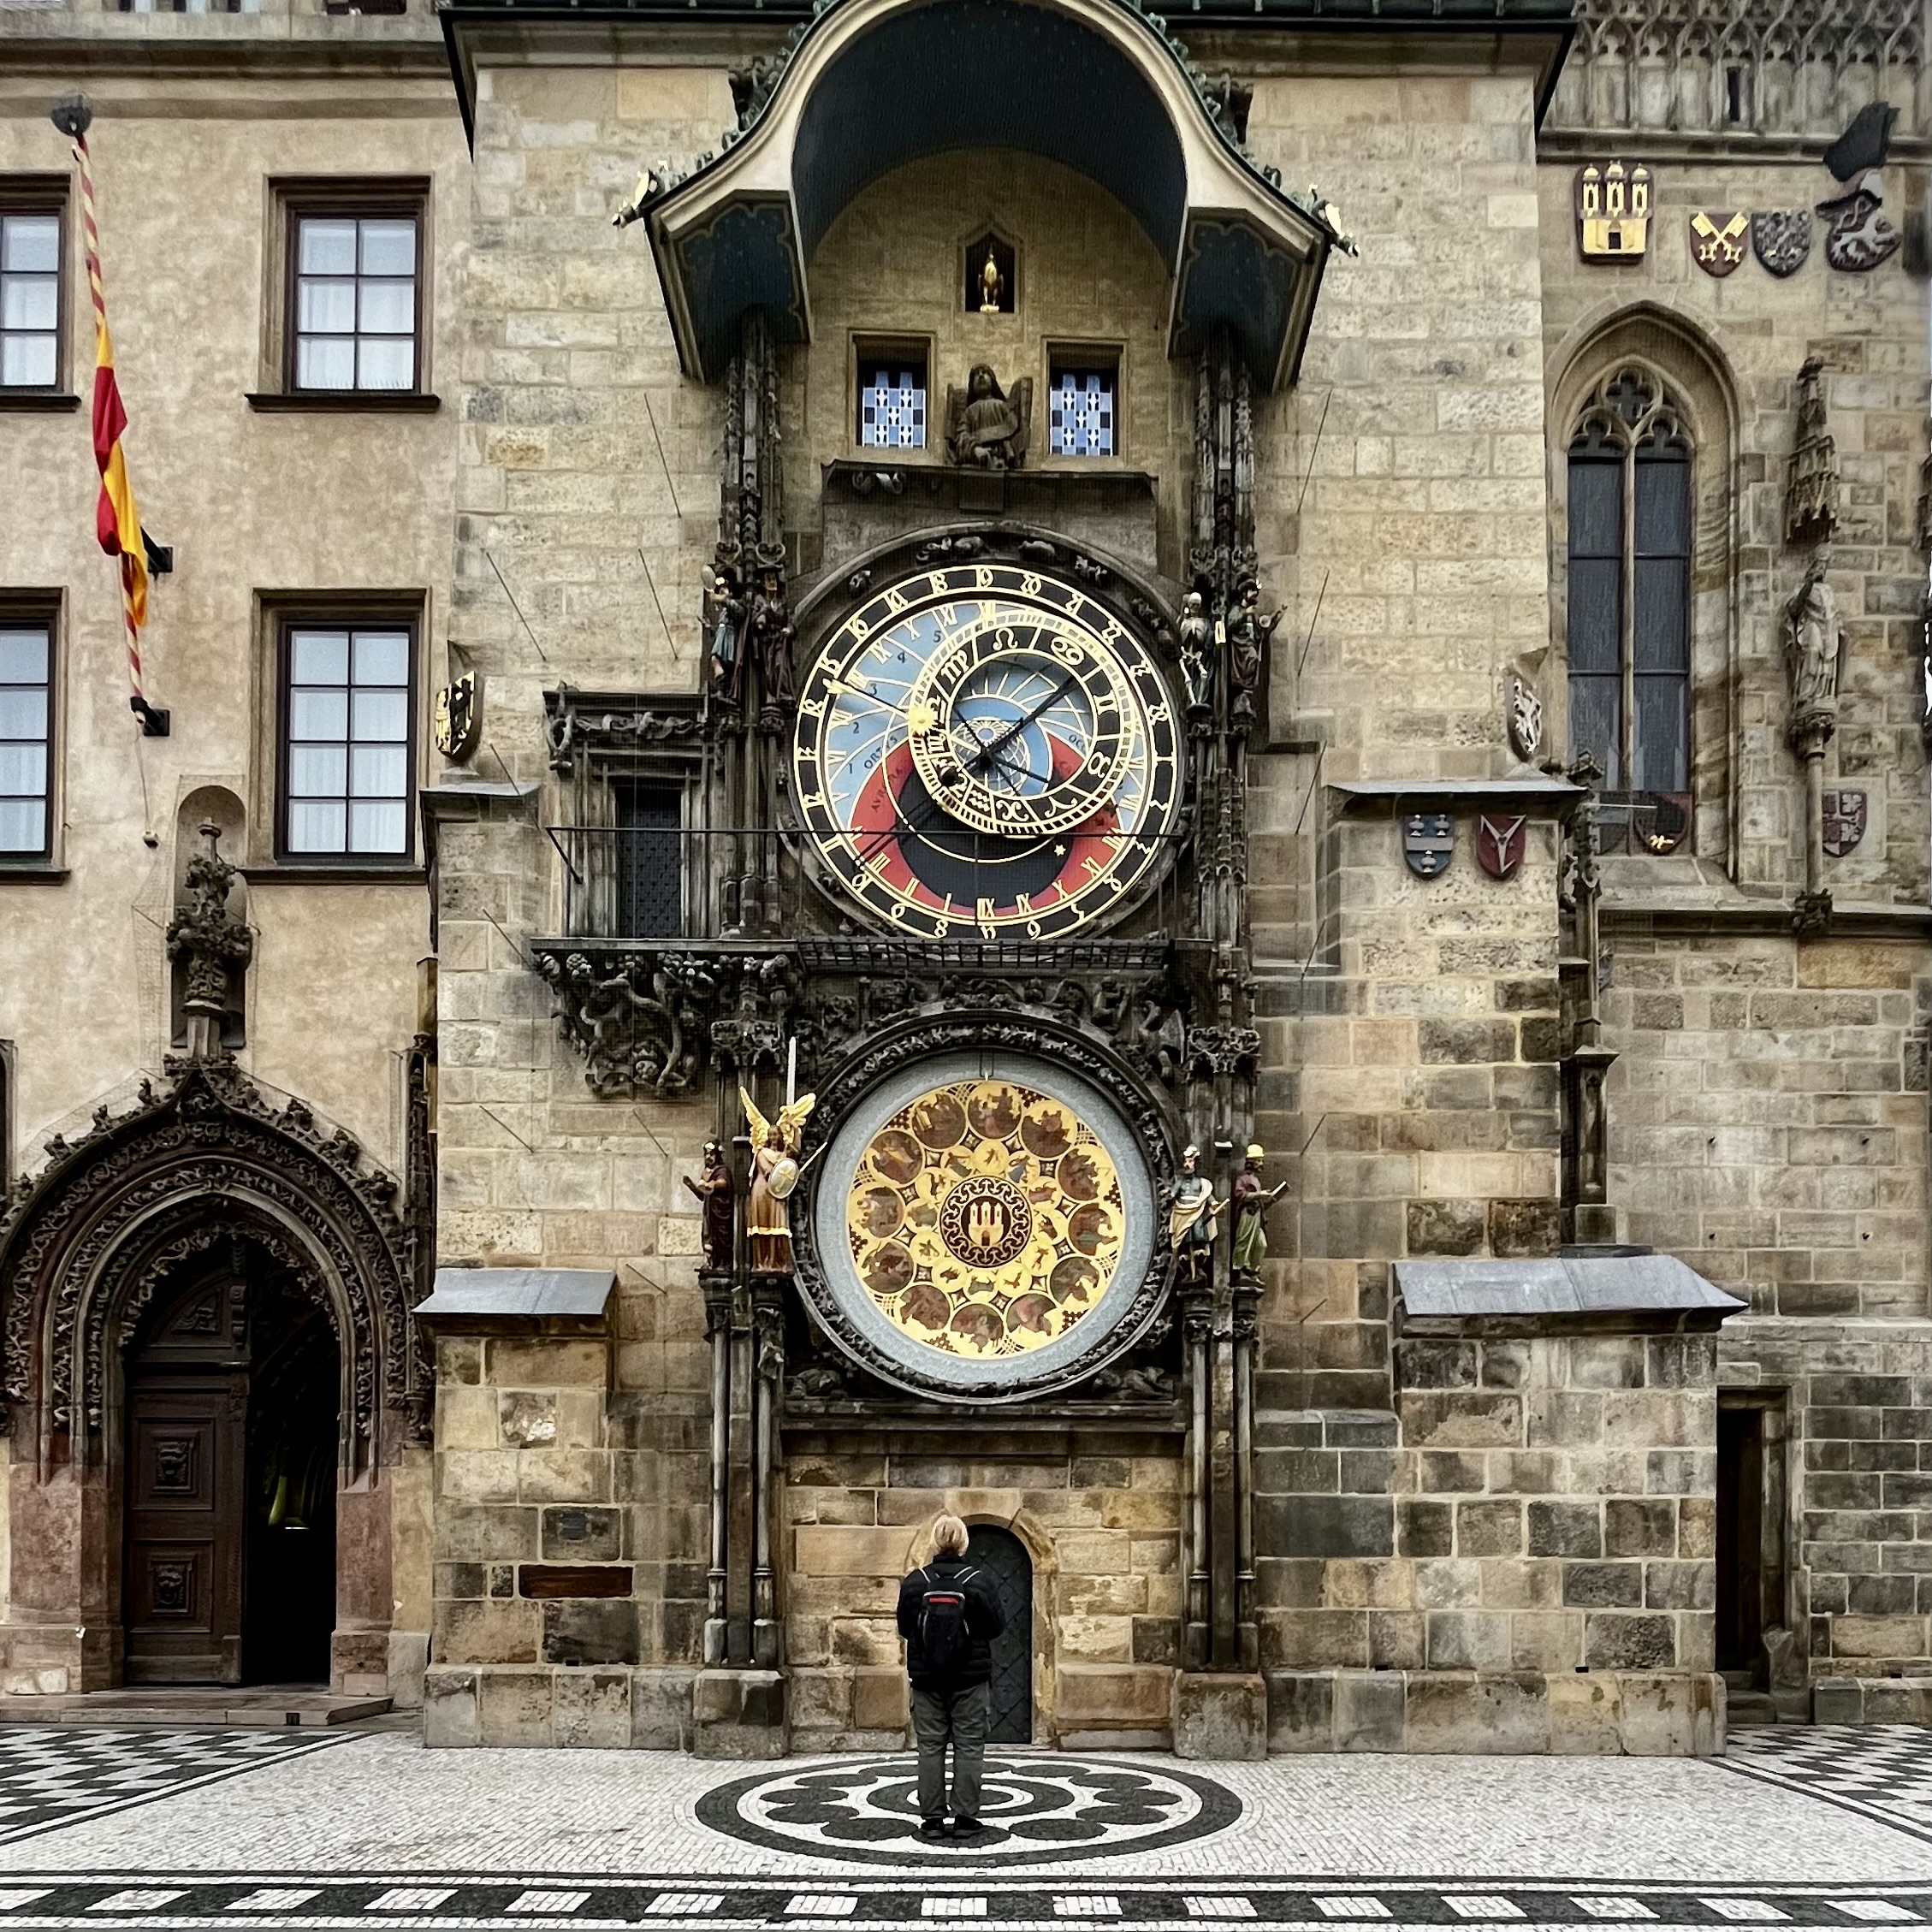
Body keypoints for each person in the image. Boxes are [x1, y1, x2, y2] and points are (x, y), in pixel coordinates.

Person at [896, 1514, 1006, 1839]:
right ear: (963, 1543)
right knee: (969, 1747)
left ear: (934, 1541)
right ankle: (965, 1819)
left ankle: (931, 1820)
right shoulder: (979, 1581)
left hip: (927, 1679)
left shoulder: (915, 1582)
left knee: (930, 1747)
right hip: (970, 1682)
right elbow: (996, 1627)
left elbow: (905, 1628)